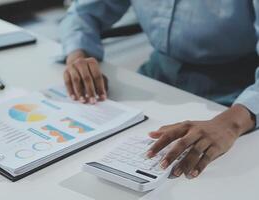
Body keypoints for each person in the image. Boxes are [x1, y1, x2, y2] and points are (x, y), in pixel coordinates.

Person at [59, 0, 259, 179]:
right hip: (155, 79)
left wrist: (231, 124)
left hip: (233, 98)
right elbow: (82, 13)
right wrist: (77, 57)